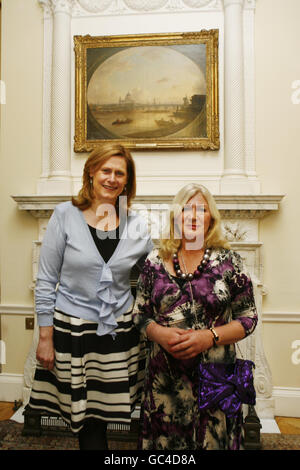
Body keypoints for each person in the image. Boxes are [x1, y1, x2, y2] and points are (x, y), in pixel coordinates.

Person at [27, 143, 153, 450]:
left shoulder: (136, 225)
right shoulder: (64, 215)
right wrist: (45, 338)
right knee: (86, 419)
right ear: (91, 173)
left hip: (119, 333)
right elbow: (45, 281)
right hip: (74, 330)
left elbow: (152, 276)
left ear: (127, 180)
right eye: (106, 170)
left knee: (108, 413)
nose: (112, 178)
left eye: (119, 173)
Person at [132, 183, 258, 450]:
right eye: (186, 209)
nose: (193, 216)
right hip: (164, 386)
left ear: (210, 217)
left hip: (214, 381)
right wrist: (159, 333)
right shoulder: (154, 260)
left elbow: (248, 318)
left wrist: (209, 337)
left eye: (201, 209)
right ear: (175, 217)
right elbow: (139, 314)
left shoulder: (229, 262)